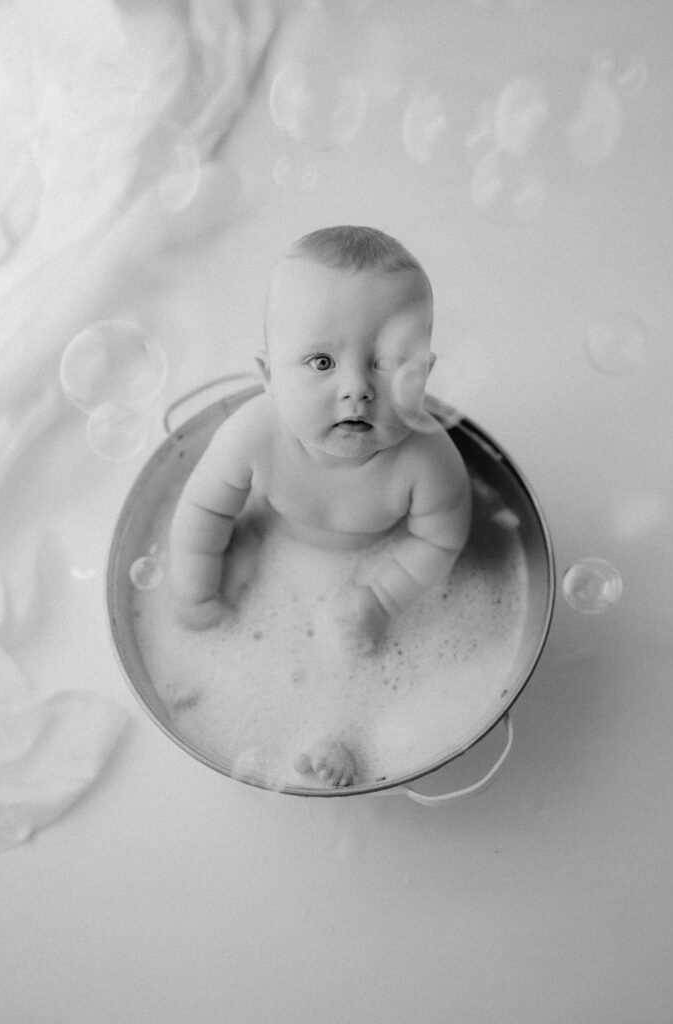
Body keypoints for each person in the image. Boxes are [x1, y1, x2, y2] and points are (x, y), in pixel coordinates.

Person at [169, 225, 471, 786]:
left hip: (377, 559)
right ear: (268, 379)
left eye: (384, 363)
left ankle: (345, 735)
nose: (357, 388)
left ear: (424, 375)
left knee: (363, 649)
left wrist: (382, 596)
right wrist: (194, 585)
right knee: (231, 569)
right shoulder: (252, 435)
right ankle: (219, 691)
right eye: (321, 363)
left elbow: (439, 540)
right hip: (269, 535)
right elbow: (204, 514)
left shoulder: (428, 461)